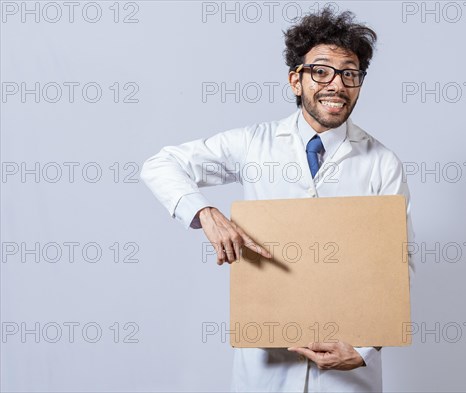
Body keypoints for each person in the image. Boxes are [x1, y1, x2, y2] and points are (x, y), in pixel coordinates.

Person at [141, 8, 415, 392]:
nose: (336, 84)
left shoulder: (382, 162)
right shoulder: (254, 144)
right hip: (266, 364)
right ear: (295, 80)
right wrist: (205, 213)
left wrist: (365, 350)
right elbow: (161, 164)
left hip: (347, 371)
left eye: (349, 73)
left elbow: (402, 262)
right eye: (321, 71)